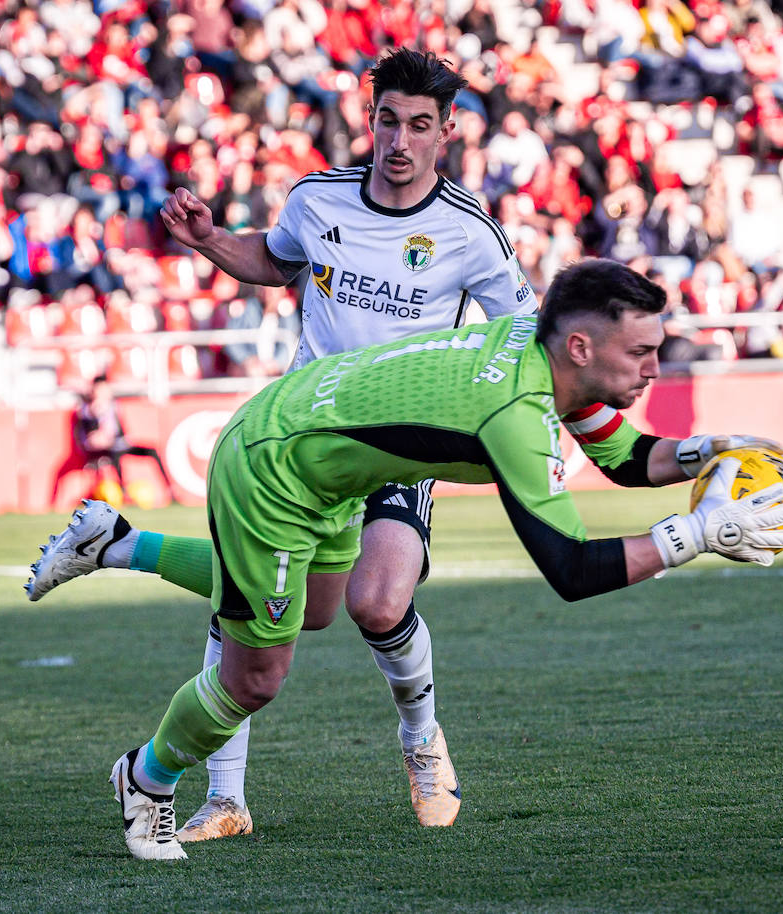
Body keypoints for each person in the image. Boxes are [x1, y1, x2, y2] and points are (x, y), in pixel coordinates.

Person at [109, 259, 783, 860]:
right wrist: (697, 535)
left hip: (321, 450)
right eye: (642, 351)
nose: (655, 366)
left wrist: (705, 450)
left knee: (321, 607)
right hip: (274, 466)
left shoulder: (541, 348)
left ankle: (121, 544)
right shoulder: (518, 410)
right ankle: (147, 777)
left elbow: (621, 456)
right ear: (583, 347)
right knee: (257, 678)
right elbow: (572, 570)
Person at [27, 49, 541, 841]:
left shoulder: (469, 231)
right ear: (369, 121)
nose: (400, 141)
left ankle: (421, 742)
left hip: (399, 445)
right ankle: (223, 797)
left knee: (373, 602)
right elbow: (275, 259)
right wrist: (210, 240)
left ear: (446, 133)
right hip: (302, 435)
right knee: (292, 613)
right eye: (388, 121)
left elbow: (520, 330)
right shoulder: (318, 198)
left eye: (419, 126)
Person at [74, 376, 176, 501]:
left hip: (119, 444)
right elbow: (85, 438)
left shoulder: (113, 405)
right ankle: (122, 492)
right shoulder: (87, 410)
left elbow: (117, 431)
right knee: (116, 454)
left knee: (151, 451)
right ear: (94, 390)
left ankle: (170, 490)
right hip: (104, 449)